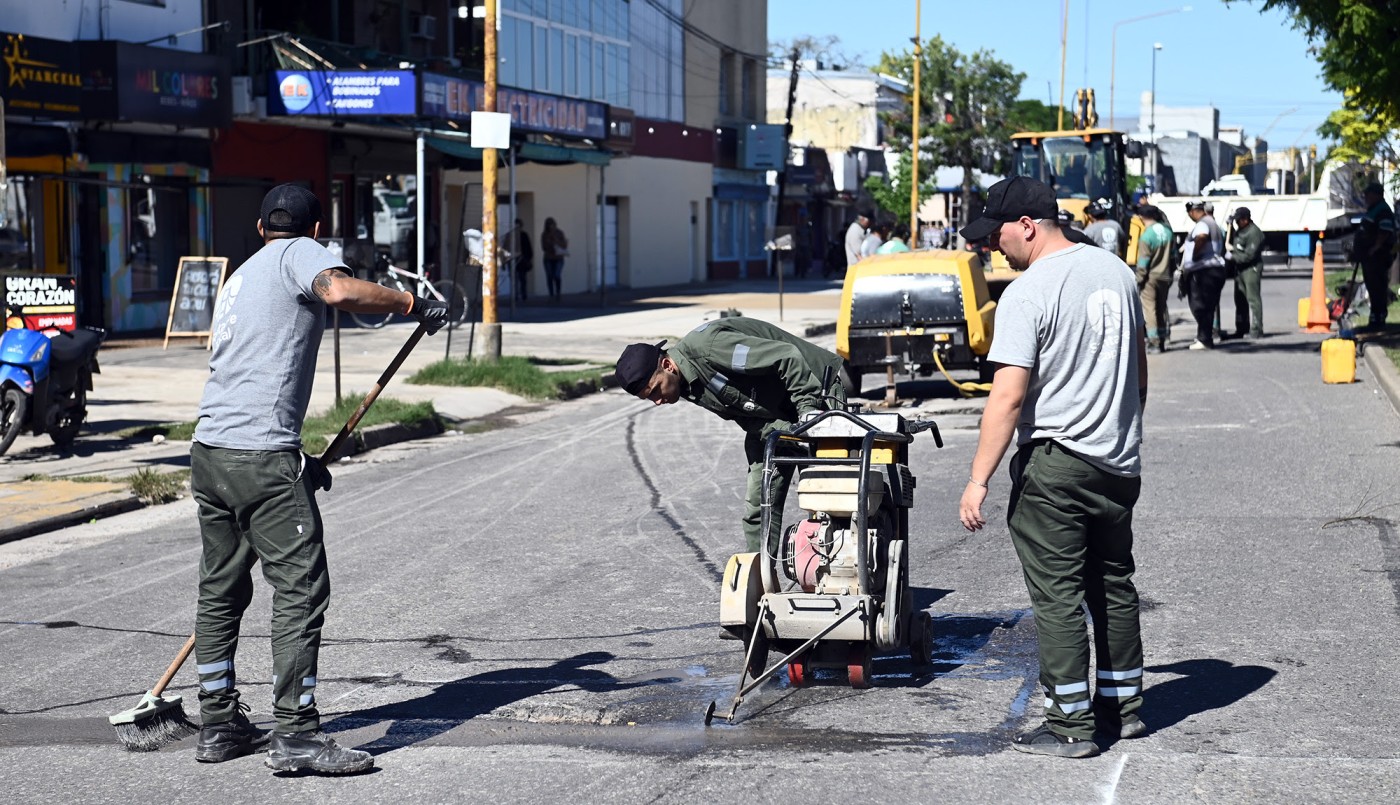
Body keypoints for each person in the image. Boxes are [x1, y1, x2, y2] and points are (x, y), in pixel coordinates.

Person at [190, 184, 449, 774]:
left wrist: (298, 458)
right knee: (301, 591)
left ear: (259, 227)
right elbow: (337, 289)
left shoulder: (240, 277)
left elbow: (251, 371)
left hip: (212, 452)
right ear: (315, 233)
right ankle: (298, 736)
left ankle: (219, 722)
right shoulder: (298, 255)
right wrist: (409, 303)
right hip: (260, 457)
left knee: (220, 590)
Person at [956, 175, 1148, 759]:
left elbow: (1007, 399)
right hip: (1118, 461)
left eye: (996, 236)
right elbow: (1138, 371)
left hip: (1056, 466)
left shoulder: (1027, 292)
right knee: (1112, 584)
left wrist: (977, 480)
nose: (993, 248)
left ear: (1028, 226)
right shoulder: (1117, 272)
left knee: (1058, 596)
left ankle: (1069, 725)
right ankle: (1123, 708)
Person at [614, 317, 845, 554]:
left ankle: (845, 564)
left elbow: (785, 356)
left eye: (655, 391)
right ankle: (762, 576)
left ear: (667, 365)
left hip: (816, 389)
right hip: (774, 415)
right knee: (759, 505)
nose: (657, 401)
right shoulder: (686, 384)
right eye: (649, 398)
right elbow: (743, 416)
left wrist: (808, 414)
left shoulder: (710, 349)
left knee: (827, 496)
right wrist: (784, 429)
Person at [1180, 200, 1226, 350]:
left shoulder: (1202, 224)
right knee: (1208, 306)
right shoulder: (1213, 222)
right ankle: (1205, 336)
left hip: (1204, 270)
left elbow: (1201, 237)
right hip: (1214, 269)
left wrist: (1194, 256)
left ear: (1193, 212)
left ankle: (1204, 338)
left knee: (1200, 305)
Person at [1134, 205, 1175, 352]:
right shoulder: (1168, 232)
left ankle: (1154, 341)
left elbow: (1143, 262)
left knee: (1149, 309)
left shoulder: (1146, 236)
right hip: (1165, 275)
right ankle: (1163, 339)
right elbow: (1173, 256)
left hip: (1151, 277)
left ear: (1142, 217)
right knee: (1161, 307)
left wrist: (1138, 279)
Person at [1355, 182, 1396, 329]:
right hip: (1370, 256)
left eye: (1368, 194)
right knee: (1372, 287)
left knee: (1378, 287)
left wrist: (1375, 248)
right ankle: (1374, 318)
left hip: (1378, 256)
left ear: (1376, 195)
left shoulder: (1382, 210)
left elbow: (1384, 231)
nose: (1365, 197)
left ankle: (1378, 319)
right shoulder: (1374, 209)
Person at [1226, 207, 1265, 339]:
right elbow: (1233, 243)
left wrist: (1233, 257)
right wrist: (1229, 226)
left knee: (1253, 299)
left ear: (1245, 219)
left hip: (1251, 269)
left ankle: (1256, 329)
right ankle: (1241, 328)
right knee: (1240, 299)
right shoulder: (1240, 231)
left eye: (1238, 220)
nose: (1237, 223)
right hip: (1240, 270)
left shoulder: (1254, 233)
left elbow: (1250, 255)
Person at [541, 217, 568, 301]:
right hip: (548, 257)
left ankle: (558, 293)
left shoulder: (559, 233)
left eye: (552, 225)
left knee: (557, 275)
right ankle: (551, 294)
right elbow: (543, 247)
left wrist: (555, 240)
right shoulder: (544, 234)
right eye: (549, 225)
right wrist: (549, 242)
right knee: (549, 276)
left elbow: (564, 245)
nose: (551, 227)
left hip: (558, 257)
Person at [510, 218, 534, 302]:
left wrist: (528, 258)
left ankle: (523, 294)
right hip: (513, 260)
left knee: (522, 278)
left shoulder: (524, 235)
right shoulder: (511, 236)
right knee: (514, 279)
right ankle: (515, 295)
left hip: (522, 260)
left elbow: (528, 247)